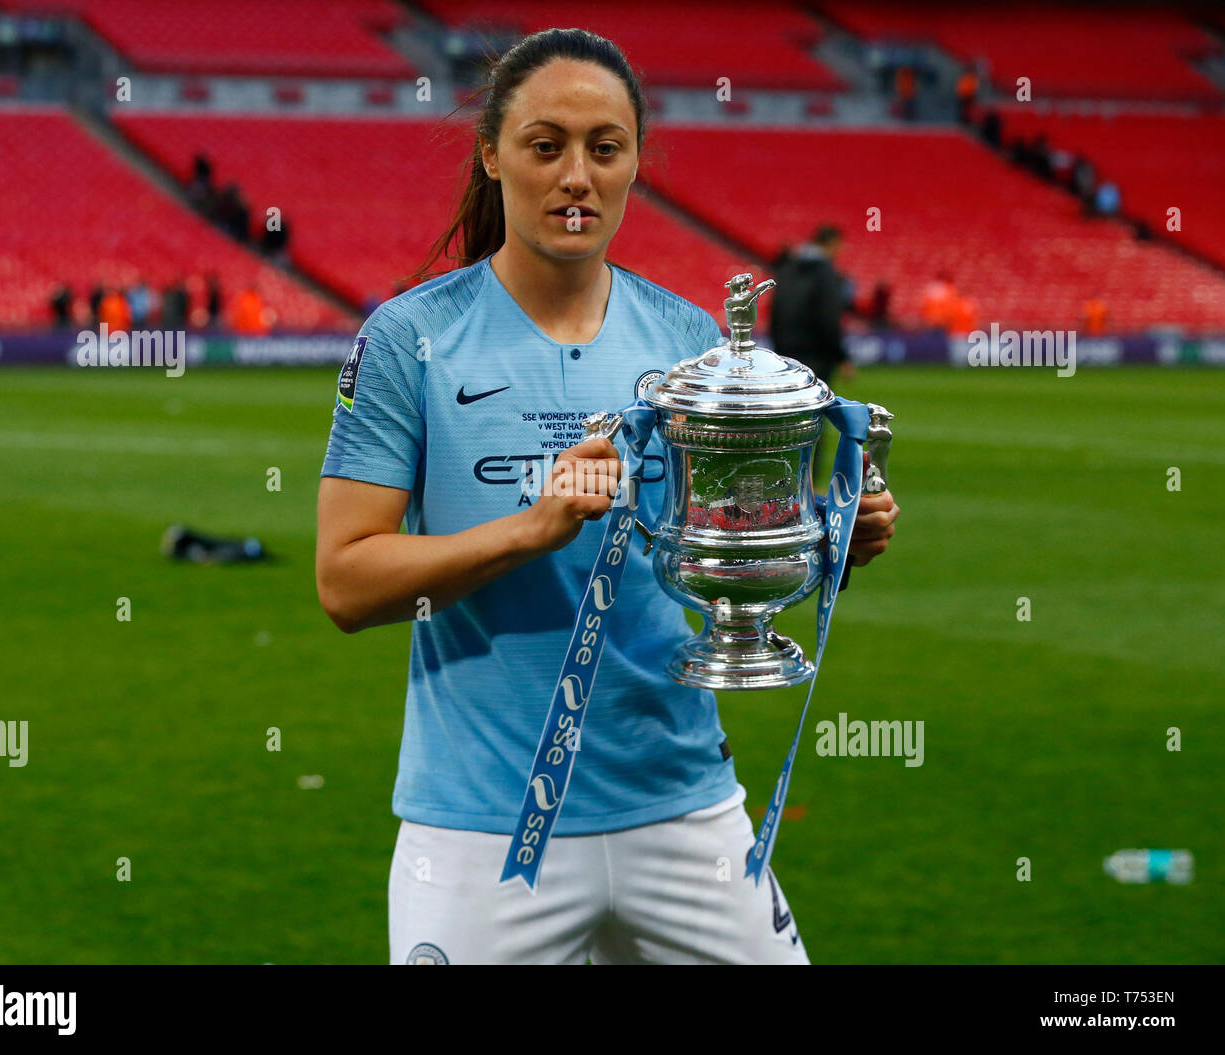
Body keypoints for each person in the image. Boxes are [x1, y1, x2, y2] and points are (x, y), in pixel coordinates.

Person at [315, 28, 899, 966]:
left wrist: (827, 535)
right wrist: (529, 530)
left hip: (683, 806)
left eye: (604, 148)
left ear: (634, 163)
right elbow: (346, 583)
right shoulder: (409, 339)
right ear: (492, 154)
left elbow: (717, 543)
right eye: (546, 146)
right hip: (480, 828)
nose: (576, 175)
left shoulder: (689, 337)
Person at [770, 226, 855, 482]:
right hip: (817, 357)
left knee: (786, 422)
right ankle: (807, 483)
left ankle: (782, 478)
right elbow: (829, 319)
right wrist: (841, 357)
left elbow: (774, 314)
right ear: (831, 244)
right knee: (815, 420)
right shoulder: (825, 273)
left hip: (786, 359)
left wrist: (780, 353)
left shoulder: (787, 269)